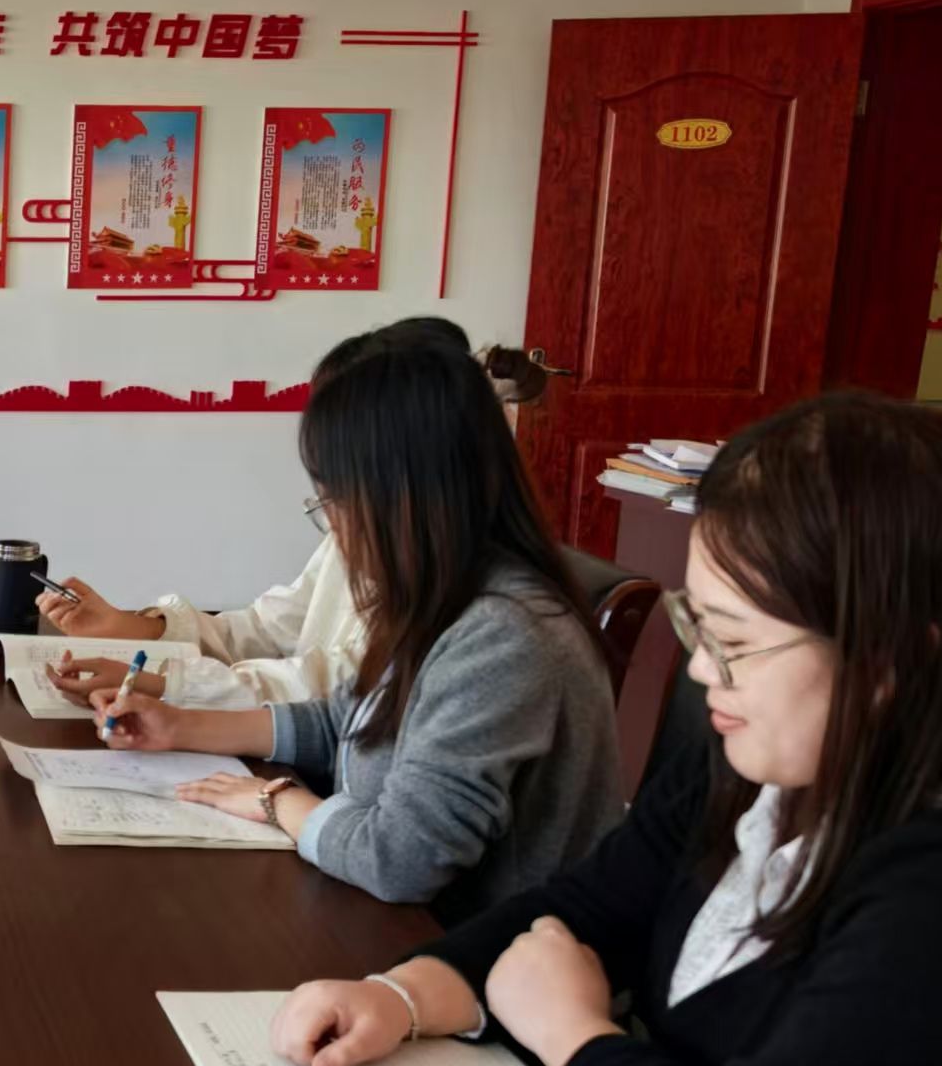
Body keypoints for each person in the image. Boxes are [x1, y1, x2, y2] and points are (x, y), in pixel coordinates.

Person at [272, 393, 942, 1066]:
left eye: (734, 643)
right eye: (696, 625)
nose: (701, 669)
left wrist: (571, 1035)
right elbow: (589, 907)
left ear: (893, 660)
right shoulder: (752, 770)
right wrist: (400, 995)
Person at [88, 330, 620, 921]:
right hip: (395, 925)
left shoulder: (503, 636)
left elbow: (400, 859)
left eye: (333, 502)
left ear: (402, 496)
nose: (335, 529)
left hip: (481, 953)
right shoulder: (447, 592)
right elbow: (350, 719)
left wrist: (274, 800)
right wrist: (179, 726)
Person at [40, 318, 551, 709]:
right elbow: (265, 631)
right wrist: (138, 628)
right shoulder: (368, 532)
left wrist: (165, 684)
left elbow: (338, 690)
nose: (334, 517)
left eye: (339, 489)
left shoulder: (486, 621)